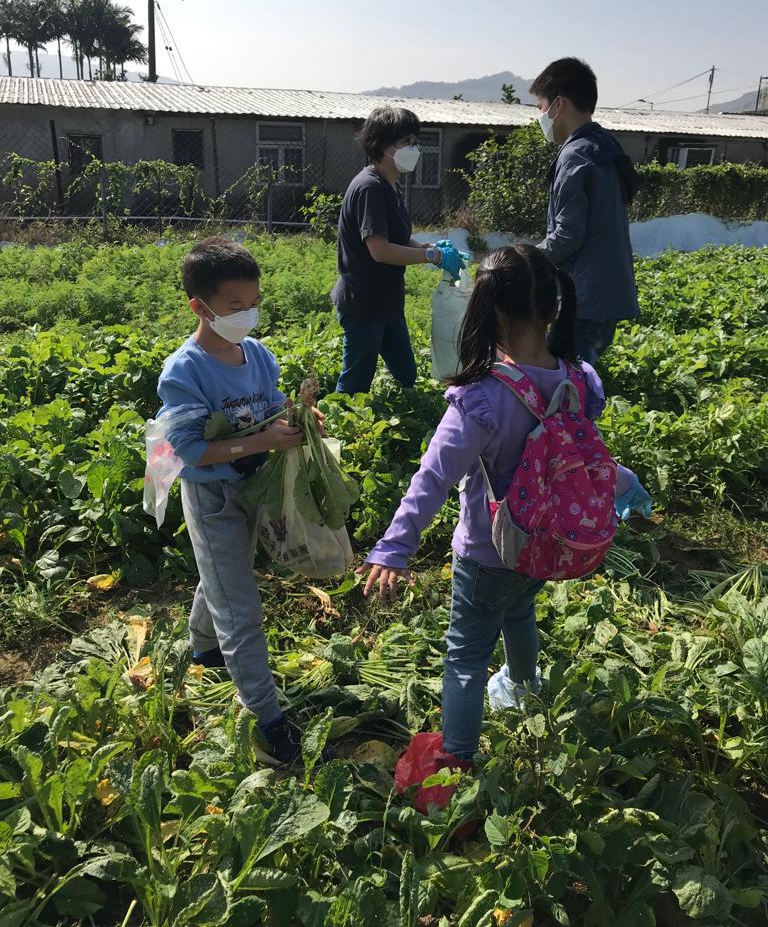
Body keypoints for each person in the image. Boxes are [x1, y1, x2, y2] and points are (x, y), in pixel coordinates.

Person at [359, 245, 651, 761]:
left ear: (488, 308)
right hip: (547, 542)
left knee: (465, 655)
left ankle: (456, 759)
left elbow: (433, 478)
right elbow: (582, 455)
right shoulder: (578, 379)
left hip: (488, 550)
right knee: (520, 613)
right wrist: (624, 484)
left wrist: (394, 547)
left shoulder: (481, 399)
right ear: (555, 308)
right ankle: (524, 688)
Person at [155, 235, 322, 764]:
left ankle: (202, 647)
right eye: (234, 308)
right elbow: (187, 450)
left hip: (255, 487)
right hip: (213, 499)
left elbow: (270, 407)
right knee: (241, 605)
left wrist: (296, 419)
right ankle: (268, 719)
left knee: (224, 575)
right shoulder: (184, 371)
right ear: (198, 306)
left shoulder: (258, 355)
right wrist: (257, 443)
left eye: (253, 305)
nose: (247, 315)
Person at [332, 106, 465, 394]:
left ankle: (412, 414)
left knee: (406, 371)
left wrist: (430, 247)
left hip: (386, 300)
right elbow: (379, 250)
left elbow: (398, 239)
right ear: (382, 144)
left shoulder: (389, 185)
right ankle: (334, 428)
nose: (414, 148)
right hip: (364, 302)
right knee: (356, 381)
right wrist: (431, 256)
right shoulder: (370, 188)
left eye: (415, 141)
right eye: (407, 142)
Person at [530, 57, 641, 365]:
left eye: (540, 107)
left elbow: (567, 235)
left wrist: (525, 259)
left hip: (585, 296)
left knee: (567, 385)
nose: (540, 116)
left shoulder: (574, 156)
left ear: (558, 104)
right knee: (578, 375)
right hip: (607, 290)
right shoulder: (603, 144)